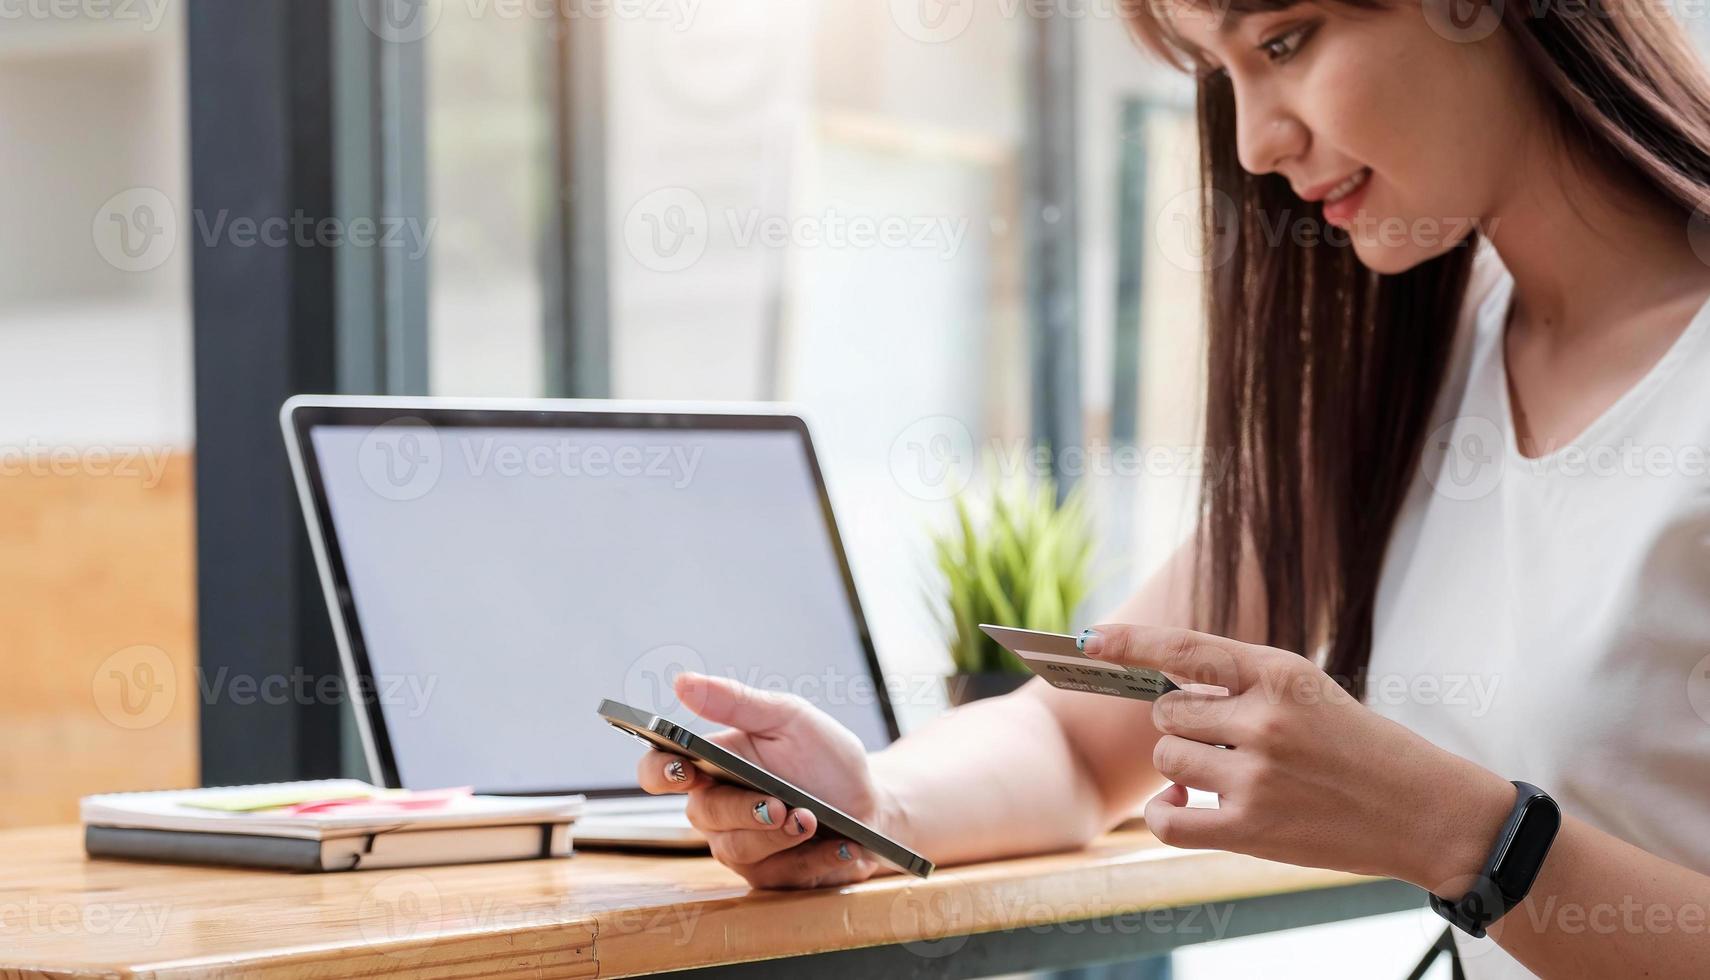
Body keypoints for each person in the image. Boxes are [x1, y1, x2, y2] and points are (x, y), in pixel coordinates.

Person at [638, 0, 1710, 975]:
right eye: (1220, 72)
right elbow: (1077, 738)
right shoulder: (1421, 366)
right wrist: (870, 800)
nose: (1255, 143)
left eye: (1284, 41)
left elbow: (1472, 834)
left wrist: (1467, 835)